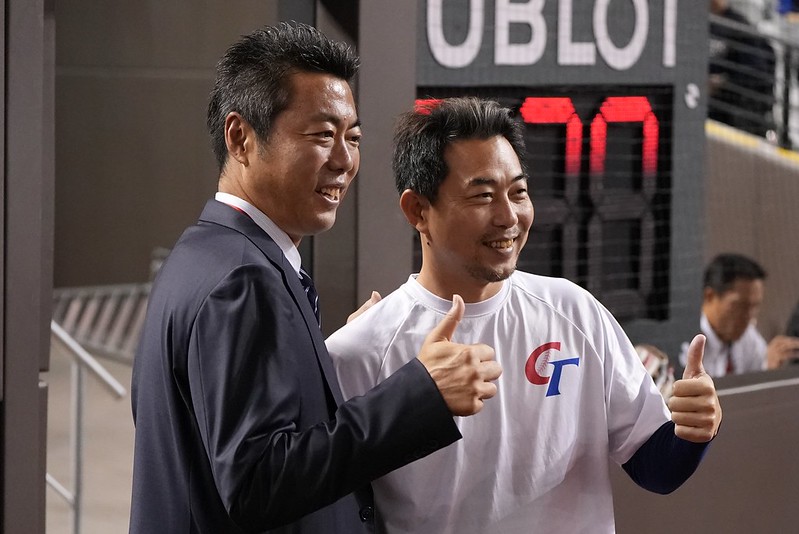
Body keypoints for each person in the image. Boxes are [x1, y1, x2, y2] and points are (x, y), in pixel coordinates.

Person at [129, 24, 503, 534]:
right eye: (323, 135)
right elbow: (257, 481)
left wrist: (316, 359)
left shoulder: (203, 254)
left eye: (353, 138)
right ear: (240, 137)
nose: (345, 161)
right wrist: (421, 394)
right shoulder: (245, 280)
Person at [327, 97, 722, 534]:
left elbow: (656, 469)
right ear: (418, 210)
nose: (508, 216)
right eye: (482, 196)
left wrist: (695, 429)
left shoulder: (575, 312)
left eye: (518, 192)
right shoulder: (359, 351)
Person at [679, 253, 799, 376]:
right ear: (709, 296)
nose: (749, 317)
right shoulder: (684, 342)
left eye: (754, 306)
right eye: (740, 306)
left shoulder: (748, 338)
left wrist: (768, 369)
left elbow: (758, 379)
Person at [708, 0, 776, 137]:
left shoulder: (738, 25)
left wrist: (723, 81)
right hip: (710, 106)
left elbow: (757, 71)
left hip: (736, 109)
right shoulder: (704, 23)